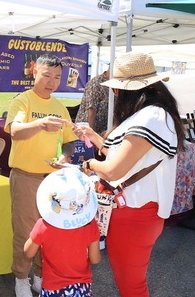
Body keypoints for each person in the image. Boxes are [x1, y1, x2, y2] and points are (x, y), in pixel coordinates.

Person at [77, 52, 186, 297]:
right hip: (136, 211)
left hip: (136, 213)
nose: (115, 93)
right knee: (130, 281)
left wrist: (90, 164)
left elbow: (114, 168)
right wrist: (95, 138)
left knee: (131, 285)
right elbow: (127, 157)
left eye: (116, 89)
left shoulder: (151, 117)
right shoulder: (153, 114)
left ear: (127, 90)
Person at [4, 54, 77, 296]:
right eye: (46, 75)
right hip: (26, 177)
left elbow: (69, 142)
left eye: (57, 77)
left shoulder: (59, 106)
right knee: (25, 231)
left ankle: (40, 274)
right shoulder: (22, 101)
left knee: (50, 230)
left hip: (54, 179)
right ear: (34, 72)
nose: (51, 82)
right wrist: (40, 124)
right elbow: (14, 131)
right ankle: (21, 278)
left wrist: (65, 157)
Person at [24, 167, 101, 297]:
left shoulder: (43, 225)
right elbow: (95, 259)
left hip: (53, 288)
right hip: (81, 288)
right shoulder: (90, 224)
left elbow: (28, 252)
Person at [75, 65, 110, 135]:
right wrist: (90, 134)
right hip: (87, 128)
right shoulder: (96, 83)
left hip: (103, 130)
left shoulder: (112, 83)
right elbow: (91, 109)